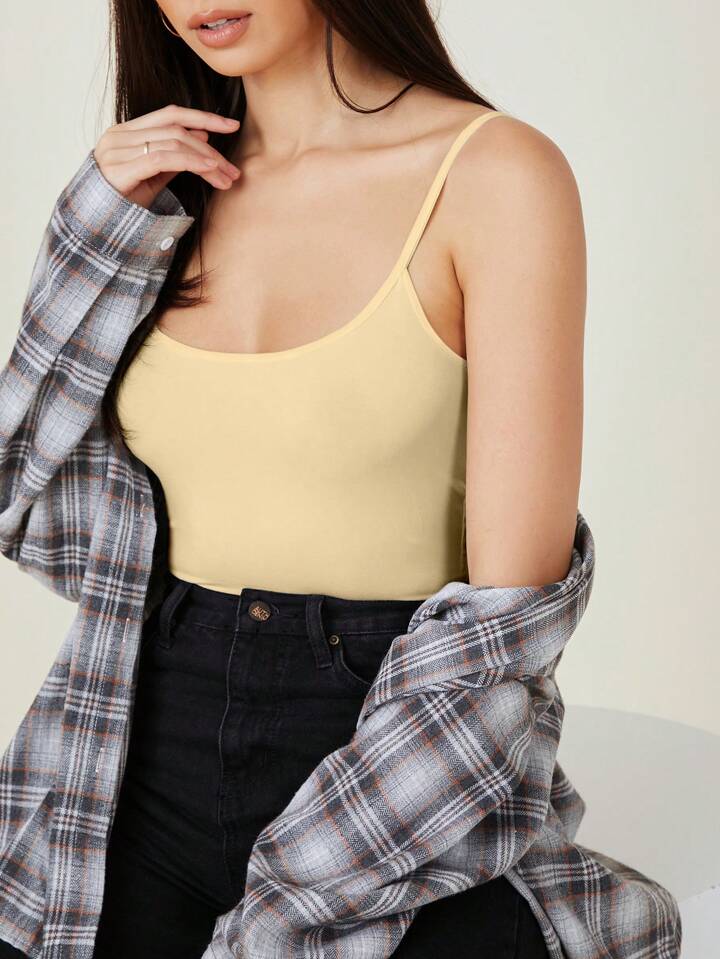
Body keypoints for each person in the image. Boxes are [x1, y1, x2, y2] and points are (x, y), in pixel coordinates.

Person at [0, 2, 587, 956]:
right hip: (141, 739)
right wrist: (91, 230)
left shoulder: (494, 175)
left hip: (401, 746)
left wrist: (284, 911)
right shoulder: (161, 193)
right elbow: (24, 495)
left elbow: (507, 630)